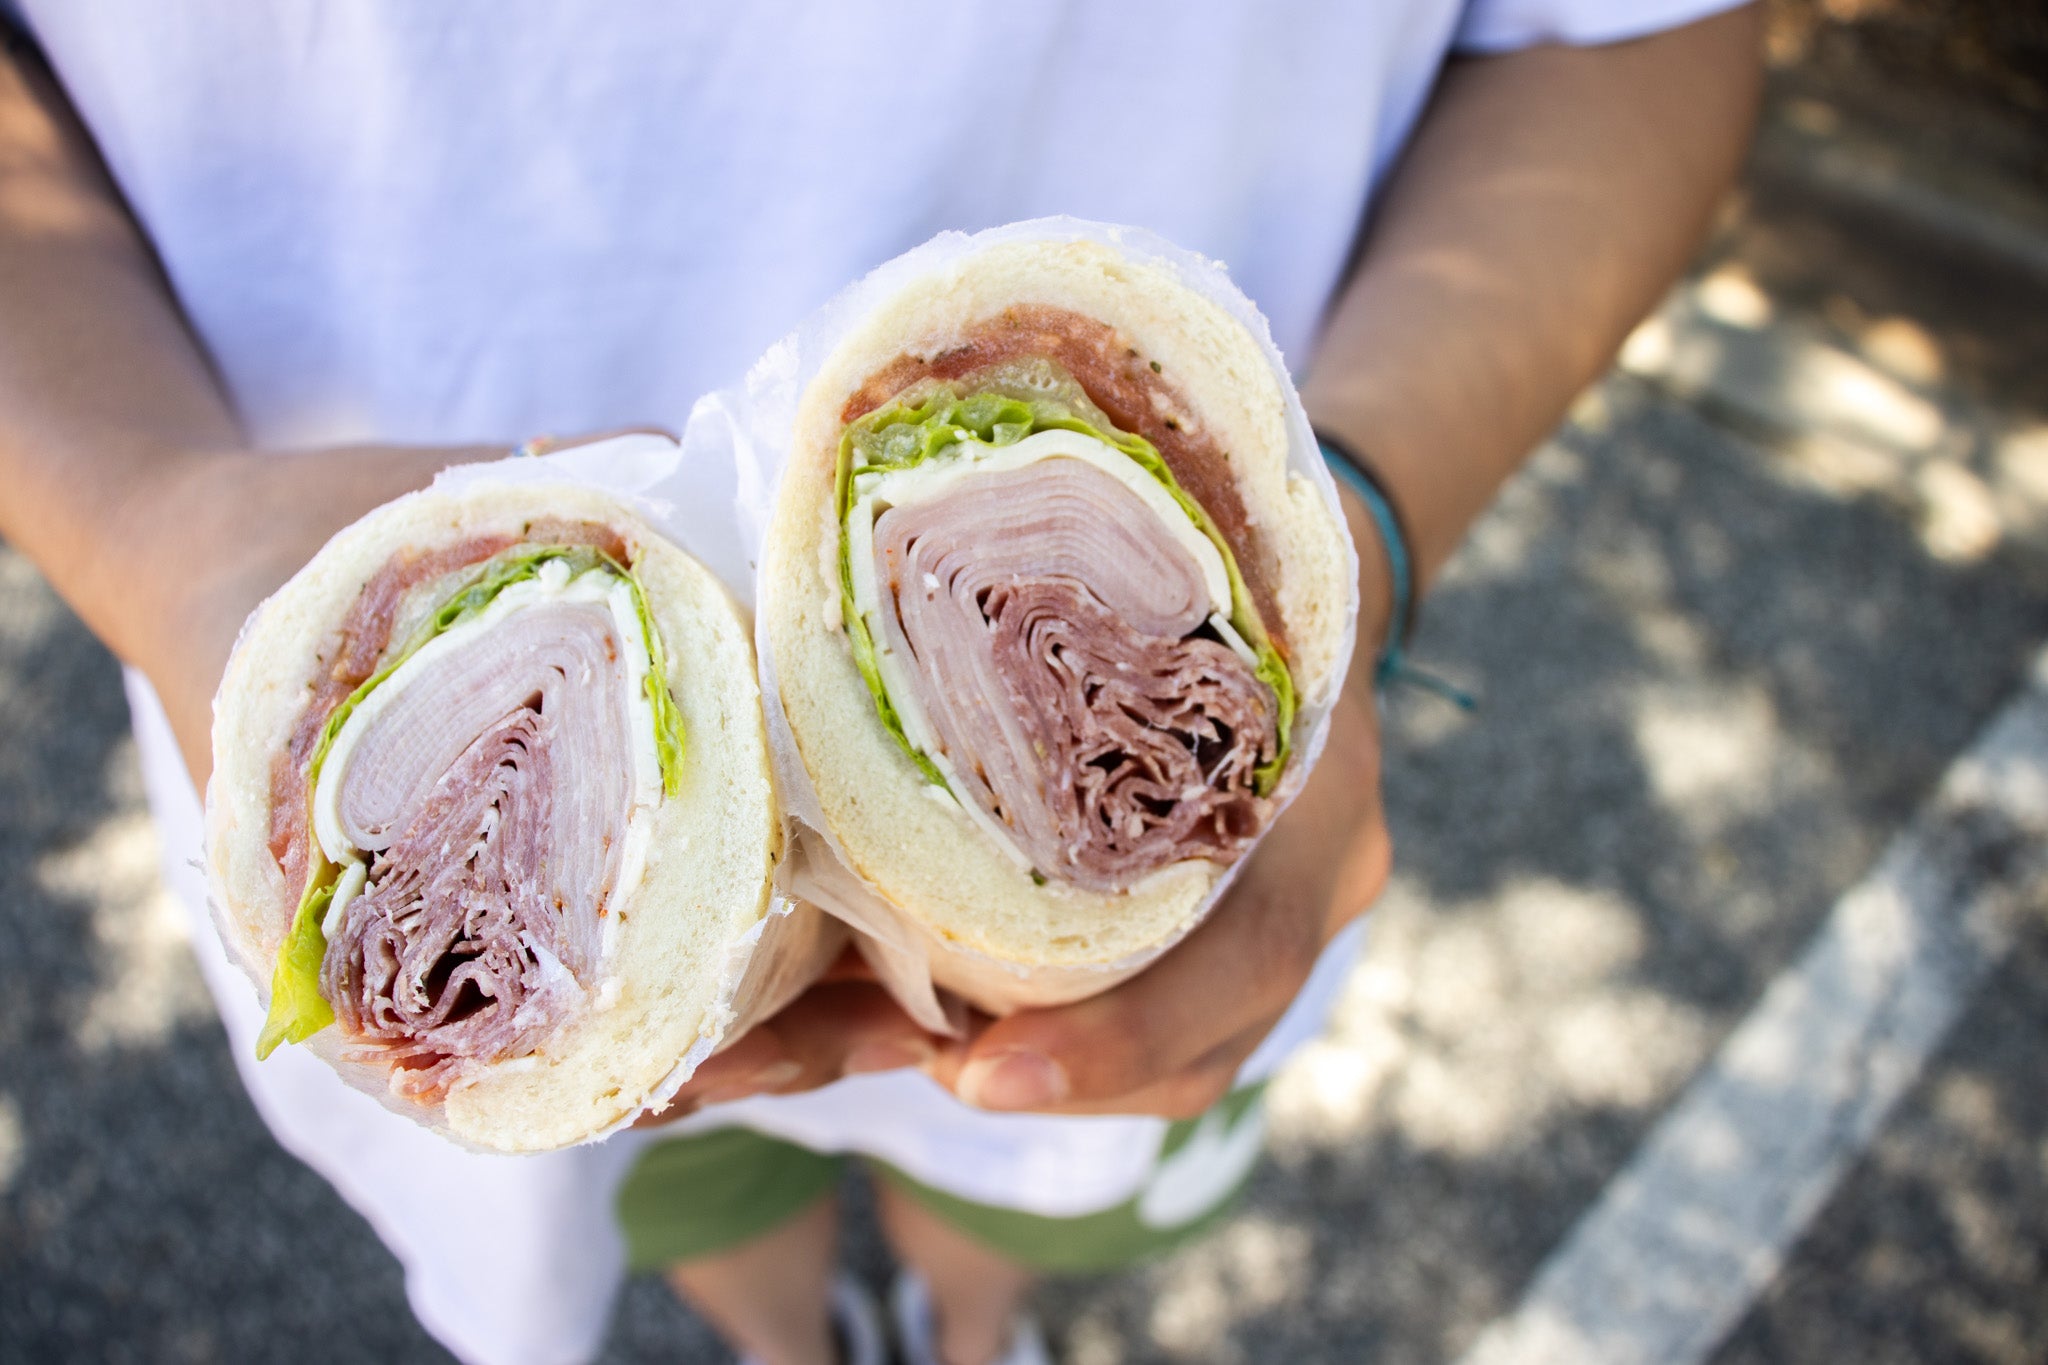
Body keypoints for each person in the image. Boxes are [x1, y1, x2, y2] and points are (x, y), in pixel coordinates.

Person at [0, 4, 1762, 1363]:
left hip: (1186, 901)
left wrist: (1353, 532)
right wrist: (150, 521)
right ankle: (792, 1334)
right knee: (681, 1149)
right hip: (298, 572)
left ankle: (960, 1319)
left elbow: (1638, 41)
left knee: (1036, 1144)